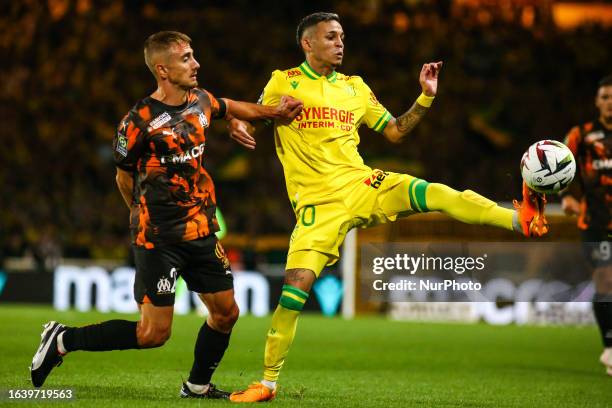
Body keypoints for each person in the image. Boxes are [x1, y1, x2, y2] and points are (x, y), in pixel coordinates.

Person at [227, 12, 548, 402]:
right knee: (294, 291)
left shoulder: (356, 88)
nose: (340, 43)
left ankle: (521, 221)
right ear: (307, 44)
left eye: (342, 36)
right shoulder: (284, 81)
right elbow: (254, 113)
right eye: (331, 37)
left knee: (438, 193)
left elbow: (395, 130)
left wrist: (426, 96)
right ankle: (268, 383)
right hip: (317, 205)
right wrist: (239, 125)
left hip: (363, 184)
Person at [30, 31, 303, 398]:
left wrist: (271, 112)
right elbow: (123, 175)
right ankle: (63, 339)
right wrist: (139, 215)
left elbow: (232, 106)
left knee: (226, 313)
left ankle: (197, 385)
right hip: (157, 237)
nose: (196, 63)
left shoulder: (201, 101)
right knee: (153, 334)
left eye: (193, 55)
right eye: (187, 58)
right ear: (163, 69)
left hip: (201, 229)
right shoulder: (138, 121)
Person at [560, 74, 612, 376]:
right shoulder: (581, 135)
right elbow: (557, 166)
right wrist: (567, 195)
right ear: (597, 101)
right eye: (605, 97)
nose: (609, 102)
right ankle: (609, 346)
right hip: (594, 222)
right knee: (606, 281)